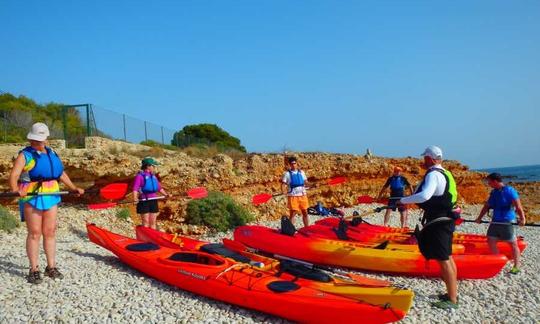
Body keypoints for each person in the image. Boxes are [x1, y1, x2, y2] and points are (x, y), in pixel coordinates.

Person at [8, 122, 84, 284]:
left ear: (46, 139)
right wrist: (15, 189)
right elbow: (14, 175)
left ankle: (51, 267)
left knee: (50, 231)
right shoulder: (25, 155)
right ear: (31, 139)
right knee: (35, 232)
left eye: (41, 140)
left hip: (51, 193)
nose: (37, 143)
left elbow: (61, 173)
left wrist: (73, 188)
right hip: (32, 196)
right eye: (35, 140)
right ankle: (34, 269)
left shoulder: (52, 152)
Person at [399, 145, 459, 309]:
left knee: (444, 260)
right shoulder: (446, 173)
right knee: (448, 257)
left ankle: (452, 300)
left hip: (438, 222)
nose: (423, 161)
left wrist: (403, 201)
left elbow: (425, 195)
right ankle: (452, 293)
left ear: (430, 159)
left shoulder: (433, 174)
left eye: (424, 158)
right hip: (446, 220)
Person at [475, 172, 526, 274]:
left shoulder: (510, 191)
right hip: (495, 221)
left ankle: (516, 266)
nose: (488, 184)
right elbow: (486, 206)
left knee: (512, 244)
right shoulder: (494, 192)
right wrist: (479, 218)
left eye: (489, 182)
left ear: (495, 181)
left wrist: (522, 219)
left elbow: (518, 207)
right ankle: (498, 262)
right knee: (491, 240)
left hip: (507, 221)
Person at [132, 157, 168, 229]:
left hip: (153, 200)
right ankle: (145, 237)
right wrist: (135, 198)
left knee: (153, 222)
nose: (154, 167)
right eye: (153, 166)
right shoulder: (140, 176)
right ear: (148, 166)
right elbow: (135, 188)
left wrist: (166, 194)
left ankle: (153, 237)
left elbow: (159, 188)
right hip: (144, 201)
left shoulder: (153, 176)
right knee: (146, 222)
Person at [282, 156, 310, 227]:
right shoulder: (287, 174)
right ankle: (290, 229)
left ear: (297, 163)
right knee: (293, 213)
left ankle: (307, 228)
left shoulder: (302, 172)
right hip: (293, 195)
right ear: (289, 165)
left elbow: (306, 182)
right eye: (292, 164)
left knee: (305, 212)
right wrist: (284, 191)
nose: (293, 165)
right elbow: (283, 184)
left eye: (294, 163)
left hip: (302, 195)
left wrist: (312, 185)